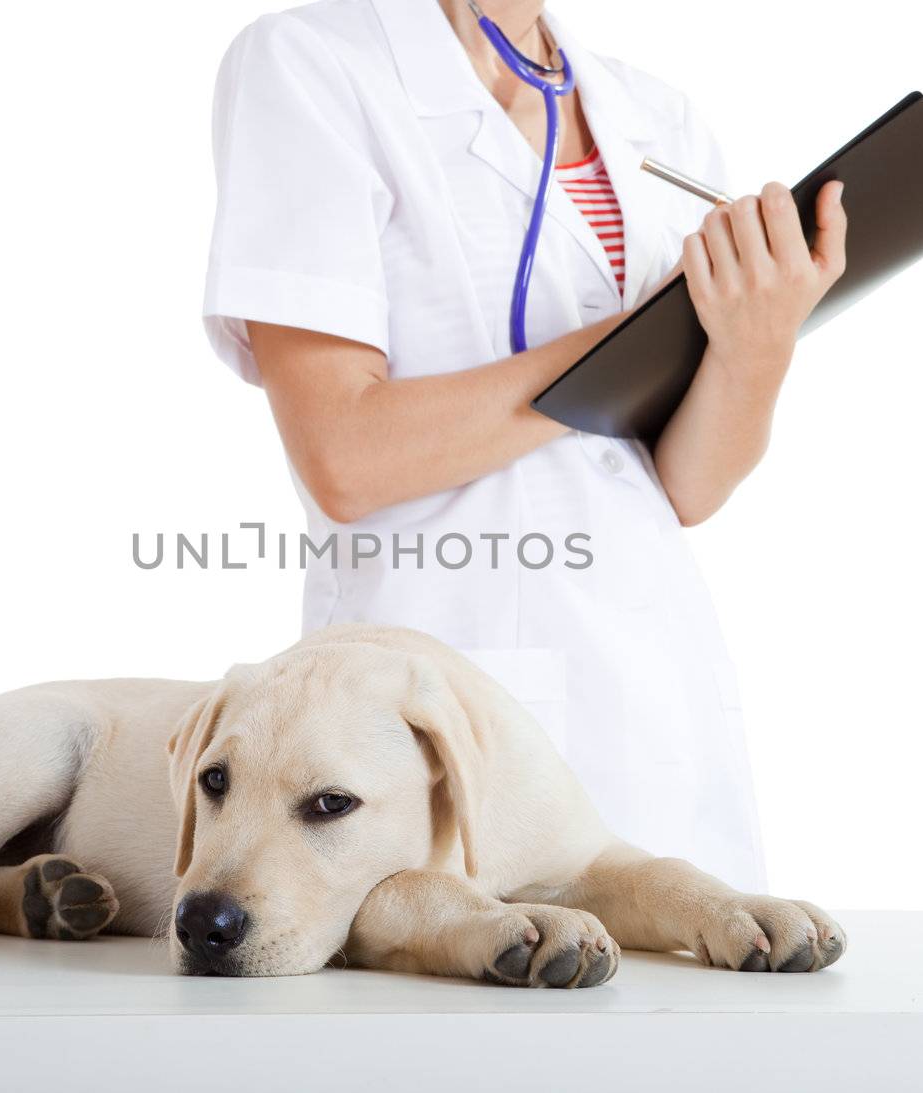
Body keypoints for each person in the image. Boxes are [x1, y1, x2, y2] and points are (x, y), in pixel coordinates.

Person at [201, 0, 847, 892]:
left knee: (690, 1007)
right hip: (432, 706)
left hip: (655, 693)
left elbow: (685, 486)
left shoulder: (656, 115)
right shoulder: (314, 65)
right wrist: (639, 335)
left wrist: (757, 343)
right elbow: (345, 455)